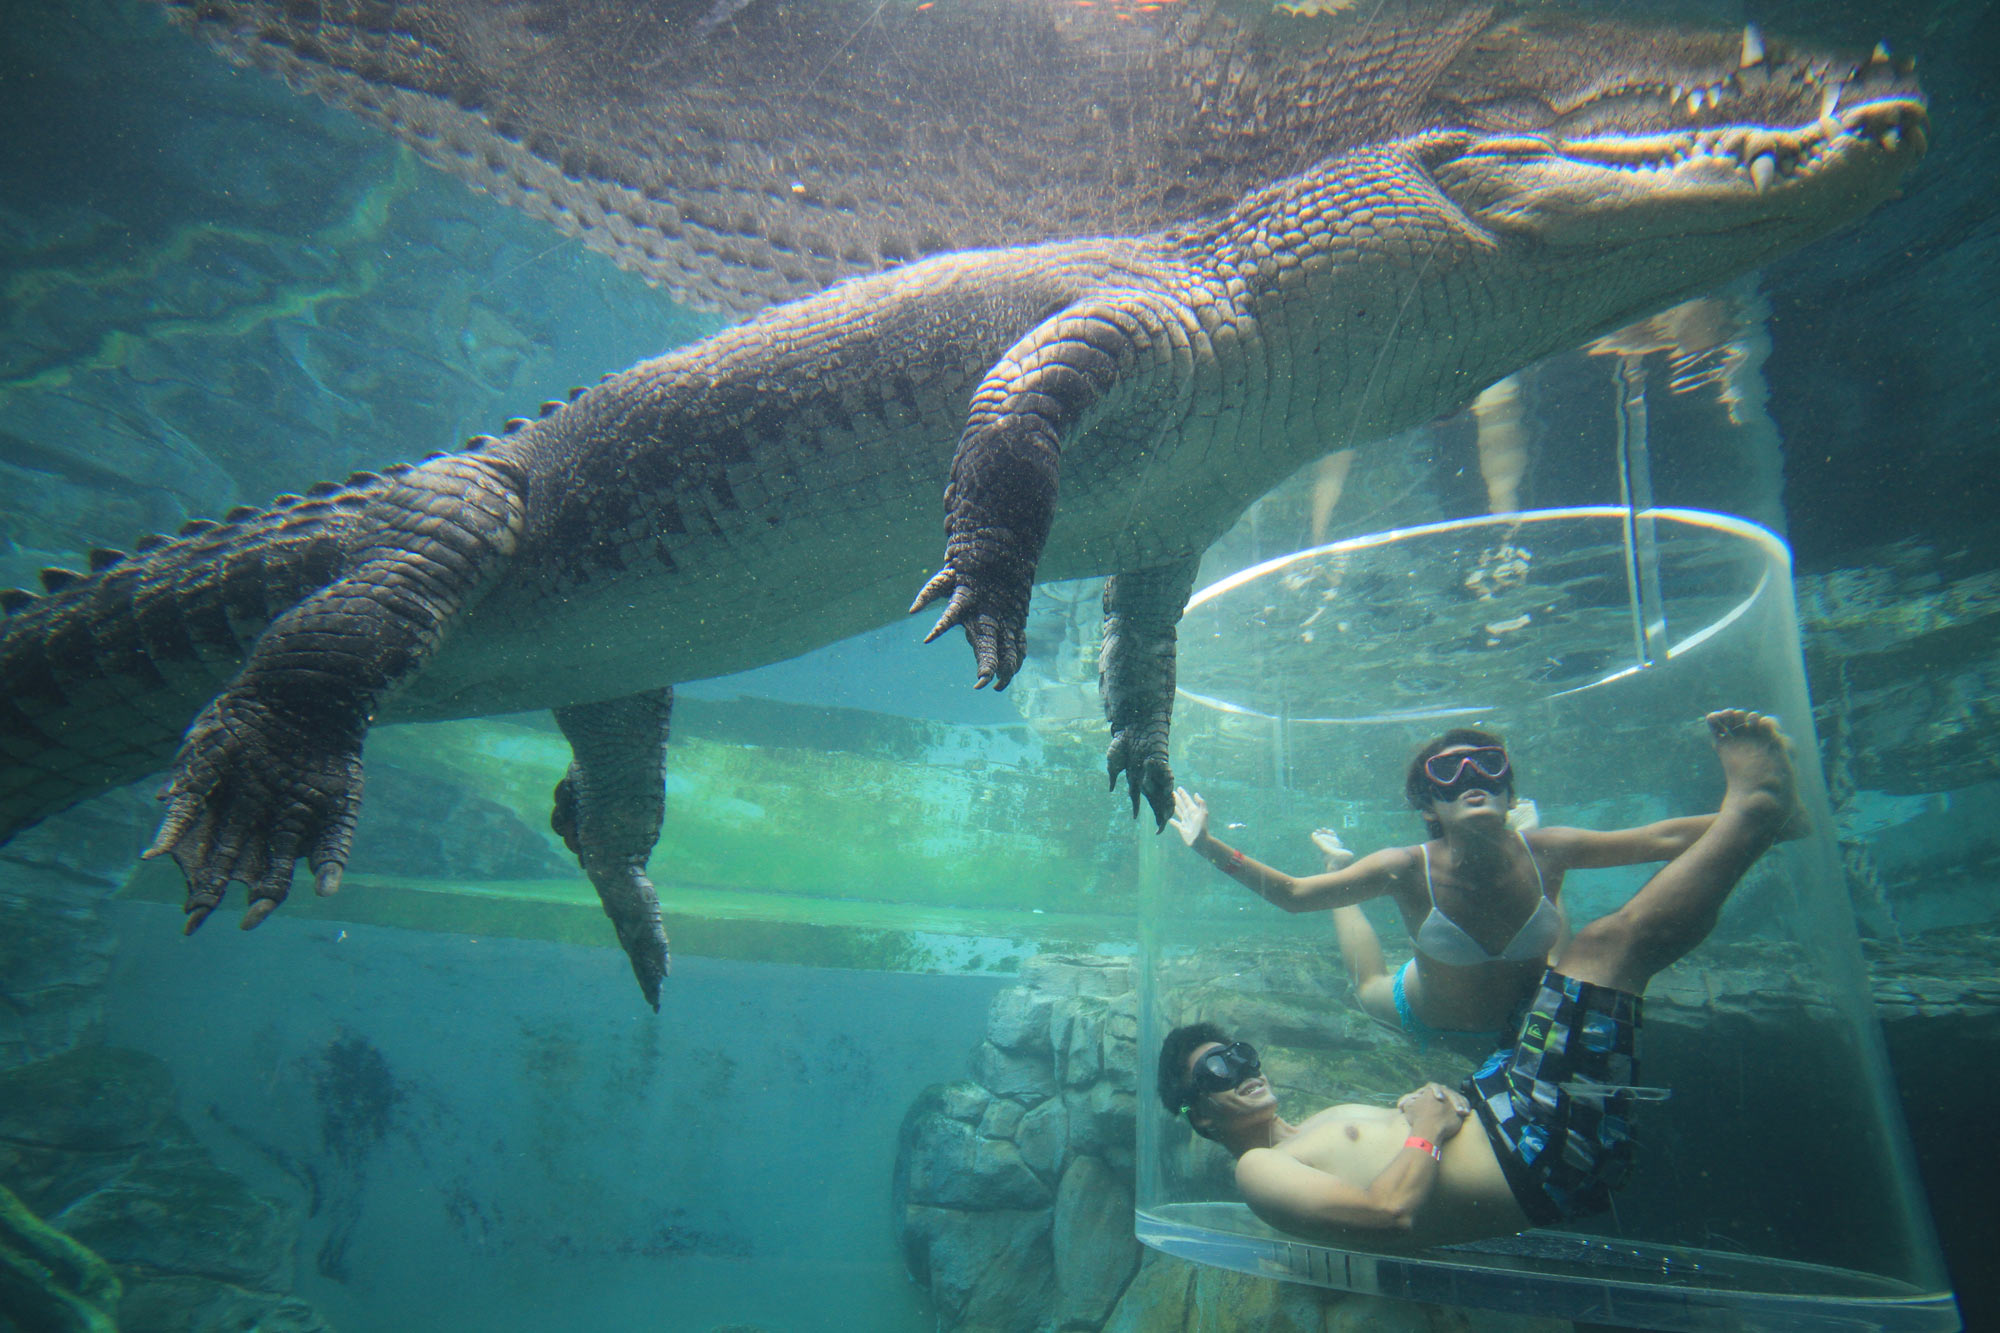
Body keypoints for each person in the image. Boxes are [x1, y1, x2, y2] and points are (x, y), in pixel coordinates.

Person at [1156, 710, 1796, 1247]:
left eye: (1238, 1054)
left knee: (1572, 960)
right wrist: (1426, 1129)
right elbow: (1389, 1214)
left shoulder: (1309, 1130)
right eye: (1218, 1073)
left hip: (1507, 1100)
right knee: (1602, 950)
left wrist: (1429, 1112)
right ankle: (1754, 813)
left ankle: (1755, 825)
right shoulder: (1259, 1170)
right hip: (1534, 1154)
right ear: (1200, 1118)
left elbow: (1658, 837)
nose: (1244, 1070)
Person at [1169, 725, 1740, 1042]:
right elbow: (1294, 898)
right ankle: (1335, 863)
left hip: (1528, 1013)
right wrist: (1206, 846)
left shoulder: (1551, 850)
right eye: (1448, 773)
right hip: (1423, 1013)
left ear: (1508, 793)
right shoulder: (1406, 865)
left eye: (1488, 767)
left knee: (1550, 899)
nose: (1471, 778)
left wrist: (1759, 816)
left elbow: (1665, 839)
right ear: (1429, 809)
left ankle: (1515, 840)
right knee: (1368, 981)